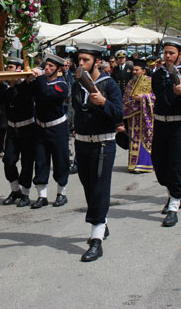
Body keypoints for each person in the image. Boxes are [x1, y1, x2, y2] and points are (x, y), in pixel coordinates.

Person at [72, 43, 123, 262]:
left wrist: (103, 103)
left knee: (100, 189)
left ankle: (96, 240)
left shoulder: (109, 84)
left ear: (97, 62)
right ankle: (102, 223)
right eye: (79, 59)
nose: (81, 63)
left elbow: (118, 113)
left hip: (103, 144)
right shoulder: (77, 84)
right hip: (82, 143)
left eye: (86, 60)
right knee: (89, 187)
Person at [151, 37, 181, 227]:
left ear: (179, 54)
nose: (168, 56)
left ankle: (174, 206)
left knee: (177, 165)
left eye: (171, 53)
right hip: (161, 123)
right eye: (166, 53)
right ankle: (172, 195)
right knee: (160, 164)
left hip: (179, 125)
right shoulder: (158, 74)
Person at [28, 53, 70, 209]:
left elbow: (47, 94)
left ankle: (61, 193)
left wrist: (39, 78)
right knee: (40, 162)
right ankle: (42, 196)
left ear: (58, 69)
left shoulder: (61, 84)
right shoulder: (41, 81)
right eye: (46, 65)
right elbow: (29, 92)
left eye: (51, 66)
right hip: (40, 127)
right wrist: (26, 80)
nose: (46, 68)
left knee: (60, 161)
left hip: (57, 128)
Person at [0, 57, 36, 207]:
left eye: (11, 67)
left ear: (19, 69)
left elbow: (21, 100)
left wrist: (14, 86)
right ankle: (15, 190)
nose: (8, 70)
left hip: (27, 128)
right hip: (12, 129)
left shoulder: (27, 84)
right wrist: (0, 85)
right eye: (7, 67)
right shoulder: (7, 86)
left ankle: (25, 193)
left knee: (27, 163)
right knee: (8, 160)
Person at [122, 58, 155, 174]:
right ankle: (133, 164)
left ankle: (144, 164)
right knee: (133, 140)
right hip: (133, 117)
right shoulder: (130, 83)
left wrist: (143, 97)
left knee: (145, 140)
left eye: (137, 70)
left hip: (146, 116)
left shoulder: (150, 81)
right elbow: (125, 99)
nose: (134, 72)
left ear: (143, 71)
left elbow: (155, 97)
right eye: (133, 70)